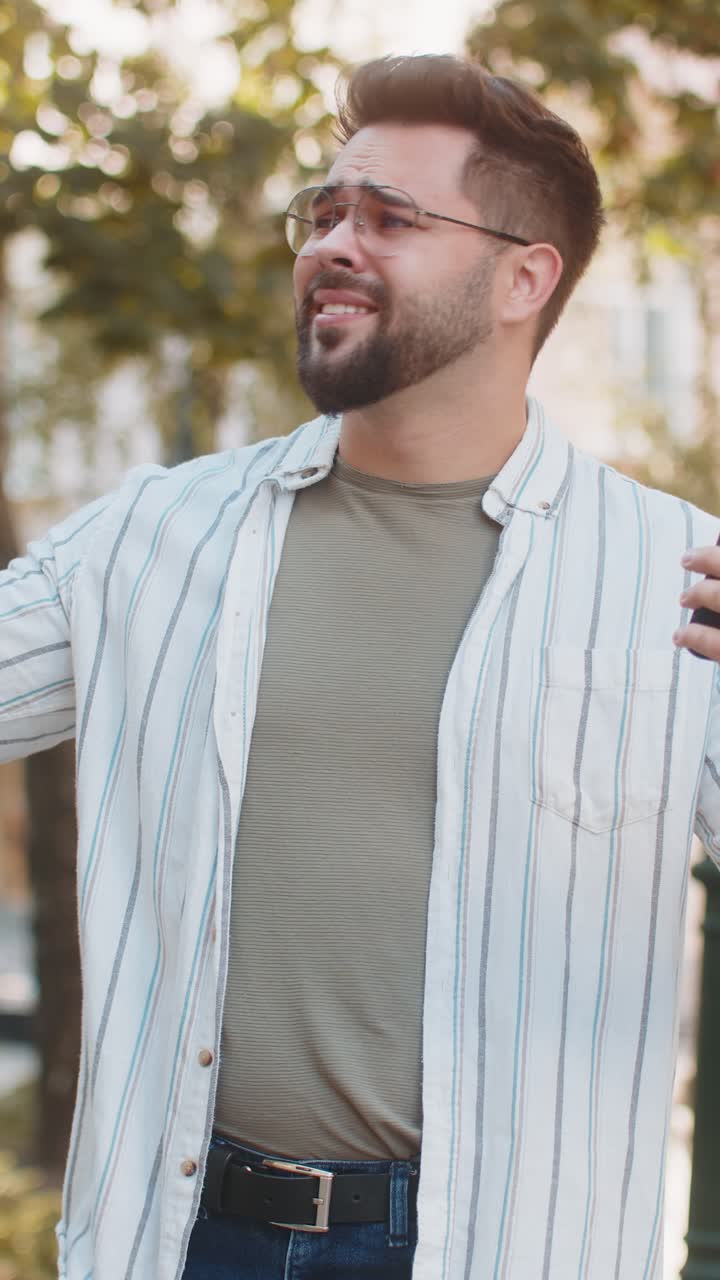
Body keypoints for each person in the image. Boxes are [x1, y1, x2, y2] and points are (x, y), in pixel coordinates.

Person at [1, 52, 720, 1280]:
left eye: (390, 217)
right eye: (324, 212)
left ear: (524, 277)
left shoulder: (673, 574)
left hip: (495, 1247)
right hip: (181, 1237)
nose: (333, 244)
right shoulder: (152, 535)